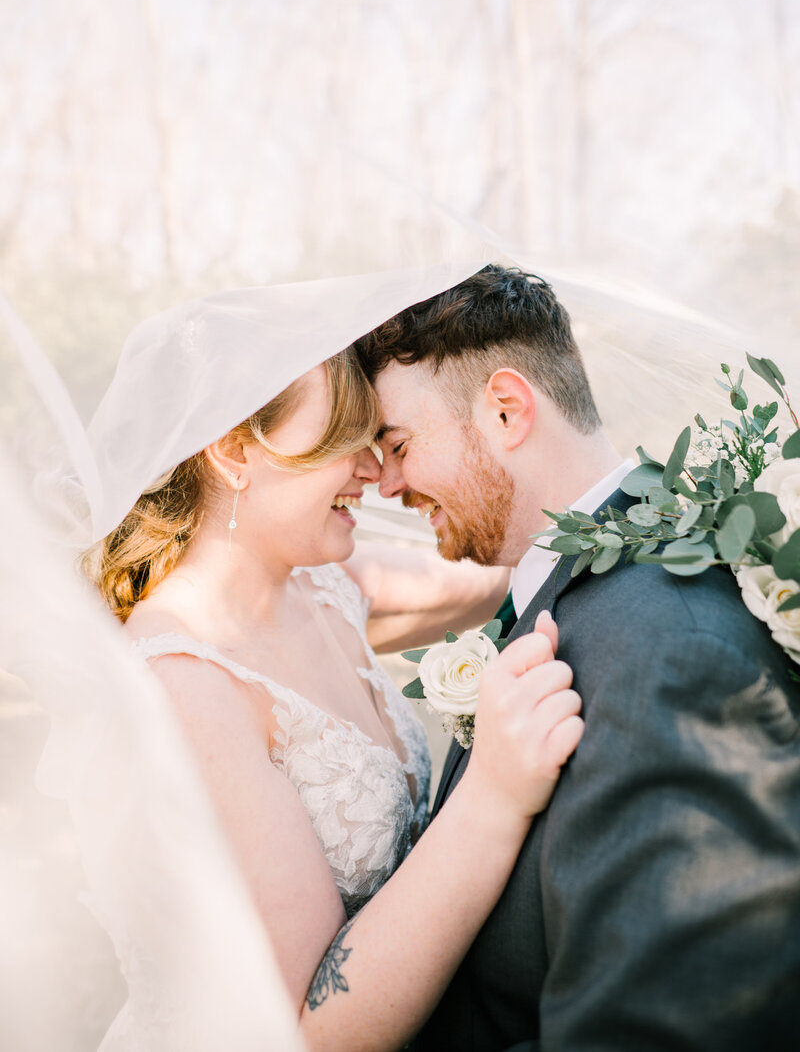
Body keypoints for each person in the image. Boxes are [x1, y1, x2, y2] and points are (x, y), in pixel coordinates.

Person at [75, 268, 585, 1052]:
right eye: (344, 437)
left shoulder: (331, 587)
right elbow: (308, 1029)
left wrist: (643, 518)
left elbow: (506, 555)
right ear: (234, 451)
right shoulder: (184, 686)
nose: (377, 474)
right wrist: (493, 796)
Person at [356, 263, 800, 1051]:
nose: (384, 484)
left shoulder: (675, 647)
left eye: (398, 445)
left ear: (505, 408)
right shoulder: (565, 593)